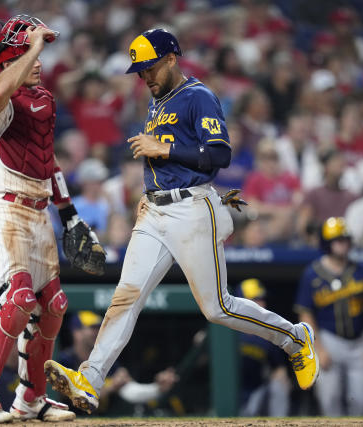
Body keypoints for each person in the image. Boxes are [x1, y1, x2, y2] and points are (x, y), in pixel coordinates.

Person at [44, 28, 319, 415]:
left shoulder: (198, 96)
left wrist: (164, 147)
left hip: (192, 207)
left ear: (172, 59)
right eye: (140, 71)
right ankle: (90, 379)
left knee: (217, 308)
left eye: (151, 67)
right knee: (126, 296)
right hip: (154, 210)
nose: (145, 77)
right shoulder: (157, 102)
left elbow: (219, 155)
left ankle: (294, 338)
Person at [0, 15, 105, 423]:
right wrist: (32, 47)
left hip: (40, 210)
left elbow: (46, 159)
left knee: (53, 305)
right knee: (17, 299)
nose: (39, 60)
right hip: (3, 208)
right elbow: (2, 91)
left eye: (38, 52)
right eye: (26, 53)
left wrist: (69, 213)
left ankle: (31, 398)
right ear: (10, 58)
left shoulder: (42, 99)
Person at [294, 217, 363, 416]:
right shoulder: (312, 274)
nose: (343, 244)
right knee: (329, 401)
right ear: (327, 243)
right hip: (329, 341)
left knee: (361, 400)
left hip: (360, 342)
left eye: (345, 239)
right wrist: (318, 349)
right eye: (337, 240)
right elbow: (305, 313)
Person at [55, 311, 178, 414]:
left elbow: (129, 390)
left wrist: (157, 388)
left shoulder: (105, 360)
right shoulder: (64, 359)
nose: (98, 332)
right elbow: (73, 397)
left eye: (99, 328)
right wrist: (111, 387)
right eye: (92, 328)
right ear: (77, 333)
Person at [236, 279, 291, 417]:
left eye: (262, 299)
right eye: (255, 299)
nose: (262, 304)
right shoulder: (225, 329)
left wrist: (282, 378)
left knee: (279, 385)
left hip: (255, 392)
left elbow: (278, 367)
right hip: (230, 393)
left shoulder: (268, 334)